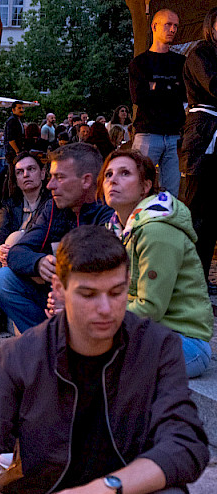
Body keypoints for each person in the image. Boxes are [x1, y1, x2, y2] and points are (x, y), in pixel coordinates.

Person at [0, 225, 208, 494]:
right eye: (88, 294)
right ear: (59, 289)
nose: (105, 309)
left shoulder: (157, 347)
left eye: (116, 293)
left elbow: (185, 444)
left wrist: (101, 490)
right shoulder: (23, 353)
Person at [97, 149, 212, 377]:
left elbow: (150, 308)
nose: (113, 180)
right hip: (143, 331)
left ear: (146, 186)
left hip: (184, 341)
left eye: (124, 173)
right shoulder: (115, 229)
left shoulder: (156, 230)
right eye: (108, 175)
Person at [0, 143, 113, 333]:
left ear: (86, 180)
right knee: (2, 280)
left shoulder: (108, 212)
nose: (50, 185)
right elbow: (17, 252)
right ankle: (47, 343)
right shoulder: (53, 207)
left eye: (60, 177)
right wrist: (38, 263)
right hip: (55, 295)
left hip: (96, 300)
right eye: (51, 176)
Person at [0, 152, 51, 335]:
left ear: (43, 173)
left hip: (36, 262)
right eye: (20, 172)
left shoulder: (51, 203)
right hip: (9, 262)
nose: (26, 175)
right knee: (9, 241)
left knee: (16, 238)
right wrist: (0, 248)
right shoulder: (9, 204)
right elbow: (0, 233)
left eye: (31, 169)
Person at [129, 8, 186, 197]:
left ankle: (164, 225)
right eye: (168, 24)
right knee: (137, 188)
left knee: (170, 194)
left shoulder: (181, 62)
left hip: (173, 135)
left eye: (176, 26)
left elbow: (185, 94)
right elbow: (138, 96)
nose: (172, 29)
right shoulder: (140, 63)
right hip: (147, 133)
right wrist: (171, 87)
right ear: (154, 26)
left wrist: (155, 86)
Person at [181, 7, 217, 289]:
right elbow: (214, 85)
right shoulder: (200, 54)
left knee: (212, 215)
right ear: (211, 25)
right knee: (195, 211)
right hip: (203, 133)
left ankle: (200, 281)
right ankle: (188, 282)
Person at [4, 101, 25, 172]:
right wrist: (17, 151)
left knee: (12, 173)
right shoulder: (12, 121)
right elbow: (10, 138)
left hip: (14, 151)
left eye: (22, 108)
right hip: (12, 152)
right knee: (13, 173)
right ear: (13, 110)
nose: (21, 110)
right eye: (19, 108)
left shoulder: (17, 120)